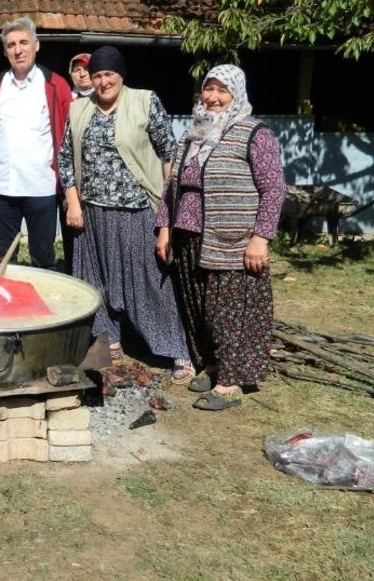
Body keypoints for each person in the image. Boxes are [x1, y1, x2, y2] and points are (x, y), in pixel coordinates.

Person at [156, 64, 285, 410]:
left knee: (227, 310)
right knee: (198, 307)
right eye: (208, 89)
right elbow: (172, 187)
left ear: (236, 95)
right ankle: (211, 365)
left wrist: (261, 238)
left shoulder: (255, 134)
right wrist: (165, 227)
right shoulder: (193, 134)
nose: (212, 97)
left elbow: (273, 189)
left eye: (221, 91)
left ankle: (230, 382)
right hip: (189, 235)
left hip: (232, 238)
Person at [58, 45, 191, 376]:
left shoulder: (145, 102)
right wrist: (73, 201)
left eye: (109, 75)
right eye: (98, 75)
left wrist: (167, 214)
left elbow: (168, 155)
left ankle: (177, 350)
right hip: (91, 213)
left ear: (121, 76)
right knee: (93, 281)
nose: (103, 82)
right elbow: (63, 158)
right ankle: (110, 340)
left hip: (135, 210)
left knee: (149, 282)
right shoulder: (78, 109)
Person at [0, 17, 72, 270]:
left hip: (40, 187)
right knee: (4, 260)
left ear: (36, 45)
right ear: (4, 50)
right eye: (11, 45)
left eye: (23, 43)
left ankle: (41, 309)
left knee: (43, 261)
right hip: (1, 187)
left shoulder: (56, 85)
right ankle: (8, 308)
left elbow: (67, 136)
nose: (18, 50)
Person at [61, 52, 93, 272]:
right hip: (69, 176)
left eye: (86, 69)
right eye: (76, 69)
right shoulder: (65, 101)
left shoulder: (104, 98)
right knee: (72, 230)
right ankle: (74, 273)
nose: (81, 74)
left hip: (95, 175)